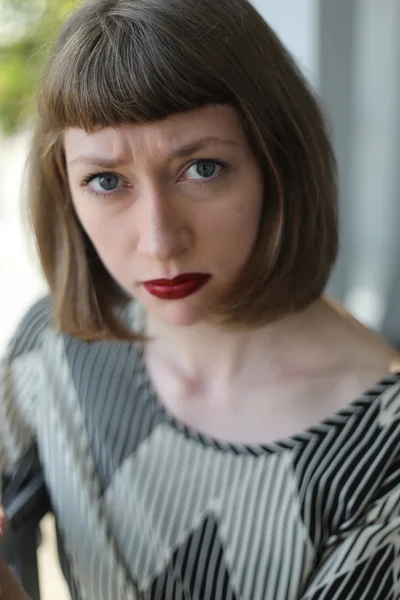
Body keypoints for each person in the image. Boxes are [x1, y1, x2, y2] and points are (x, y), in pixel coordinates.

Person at [1, 0, 400, 598]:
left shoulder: (383, 449)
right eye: (107, 181)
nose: (160, 241)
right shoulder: (54, 347)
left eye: (203, 168)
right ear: (66, 190)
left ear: (277, 164)